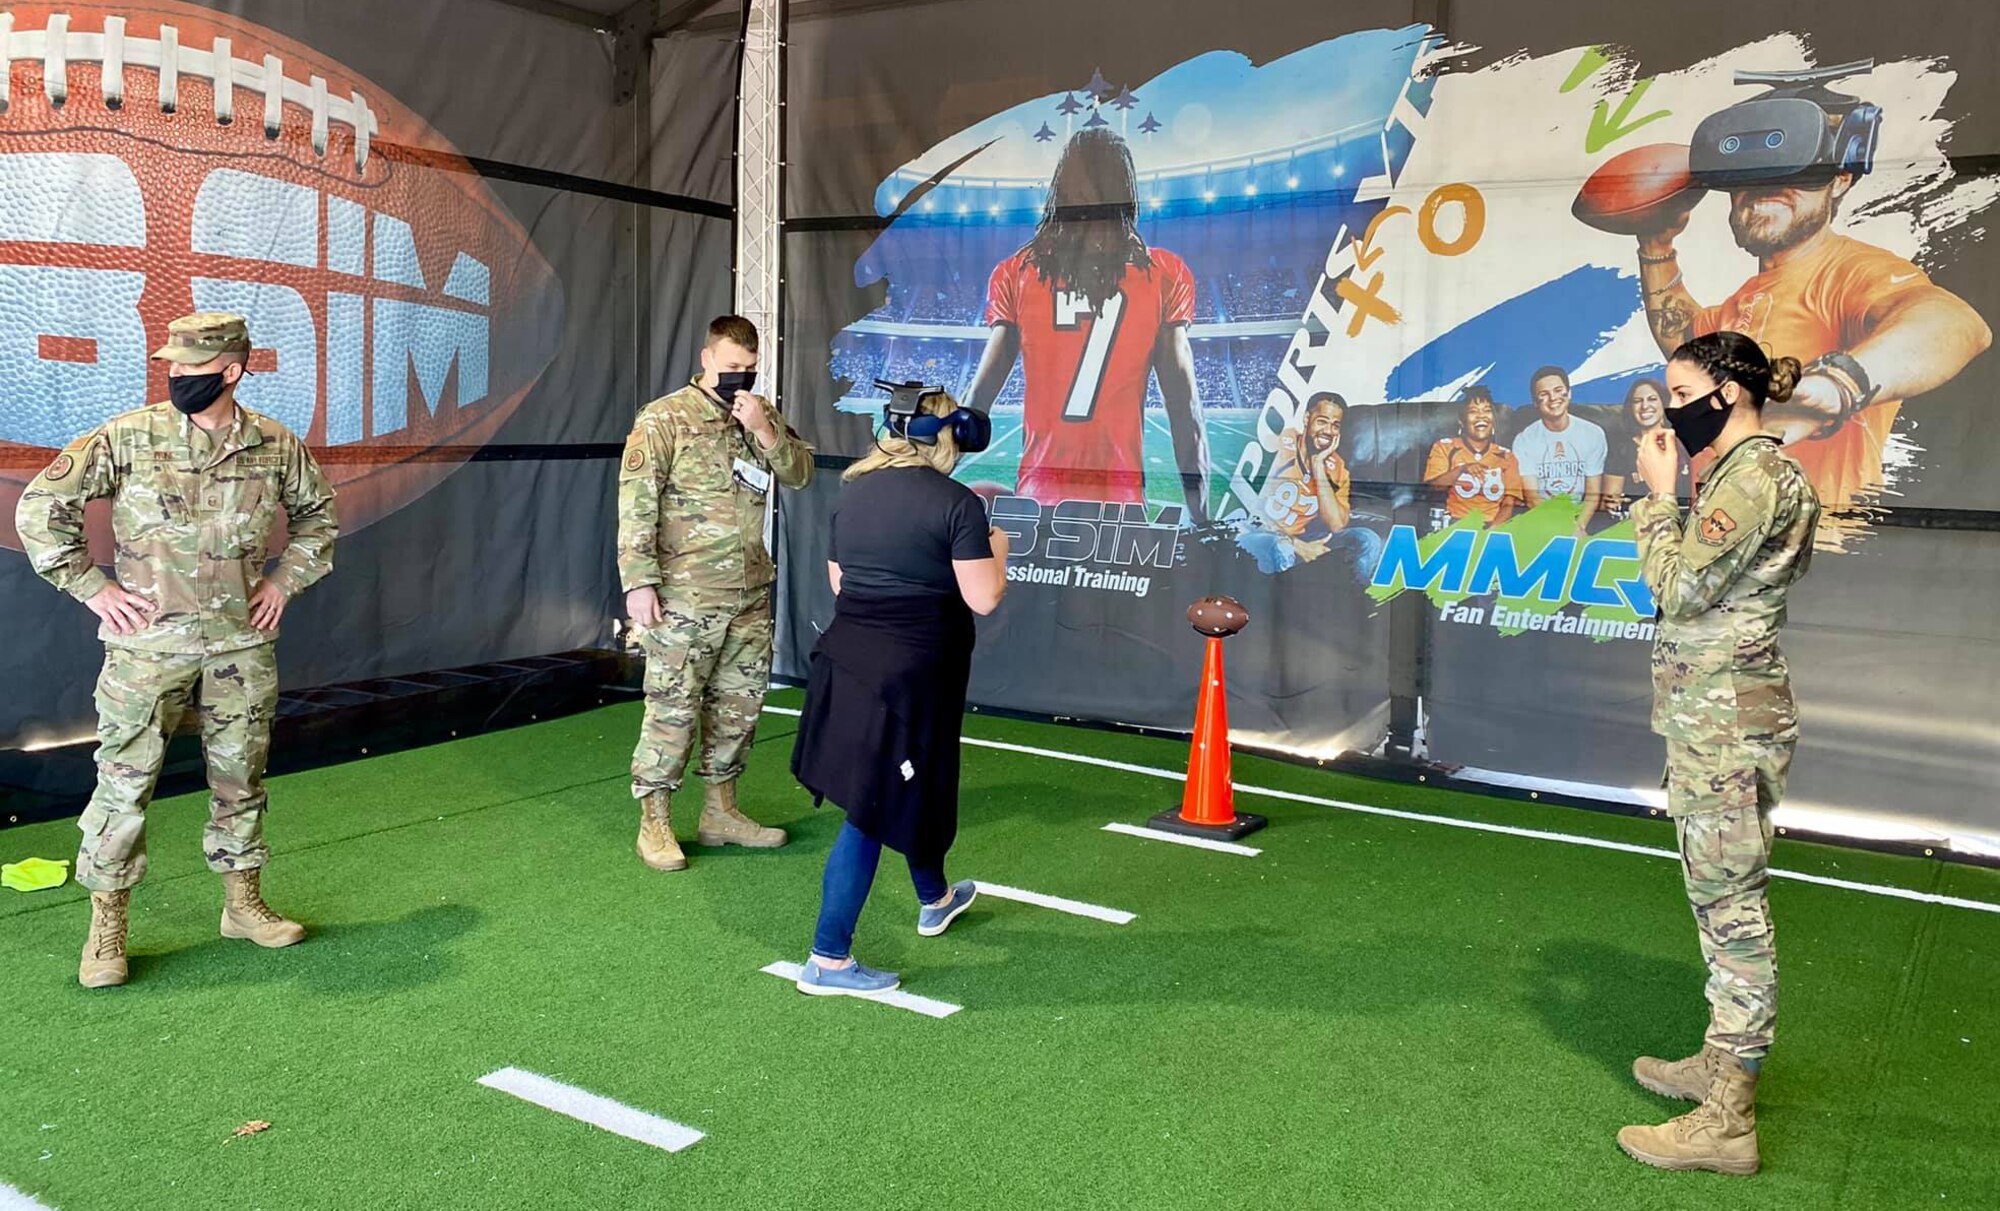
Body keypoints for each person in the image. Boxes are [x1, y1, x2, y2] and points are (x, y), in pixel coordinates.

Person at [14, 313, 338, 988]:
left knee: (240, 778)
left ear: (232, 371)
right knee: (124, 786)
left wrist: (285, 579)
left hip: (239, 647)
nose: (177, 377)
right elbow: (42, 506)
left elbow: (318, 518)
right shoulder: (130, 436)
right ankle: (106, 928)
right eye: (172, 367)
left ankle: (243, 905)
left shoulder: (276, 446)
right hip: (147, 651)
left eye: (191, 369)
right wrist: (91, 587)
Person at [1617, 331, 1820, 1176]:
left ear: (1729, 394)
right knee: (1719, 900)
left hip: (1727, 726)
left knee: (1732, 912)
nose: (1671, 407)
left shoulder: (1754, 479)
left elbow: (1680, 587)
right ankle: (1719, 1061)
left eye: (1682, 389)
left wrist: (1659, 497)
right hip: (1721, 718)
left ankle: (1727, 1119)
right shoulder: (1750, 474)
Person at [1634, 89, 1989, 520]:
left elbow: (1952, 322)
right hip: (1722, 551)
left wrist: (1836, 385)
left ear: (1841, 178)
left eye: (1798, 169)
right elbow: (1681, 339)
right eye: (1751, 174)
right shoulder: (1741, 301)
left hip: (1812, 559)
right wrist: (1656, 243)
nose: (1768, 187)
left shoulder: (1853, 273)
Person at [788, 389, 1008, 997]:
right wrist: (998, 550)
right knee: (871, 809)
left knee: (924, 782)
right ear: (950, 434)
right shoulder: (958, 504)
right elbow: (983, 597)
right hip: (907, 680)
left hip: (850, 664)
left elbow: (840, 583)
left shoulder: (855, 494)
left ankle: (934, 897)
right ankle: (827, 960)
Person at [617, 315, 813, 872]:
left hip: (749, 591)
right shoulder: (663, 419)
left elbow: (800, 474)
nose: (739, 379)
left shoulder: (757, 413)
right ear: (706, 359)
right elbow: (637, 504)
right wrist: (639, 583)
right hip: (685, 596)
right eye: (730, 369)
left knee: (738, 708)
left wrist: (765, 429)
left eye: (748, 370)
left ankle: (720, 812)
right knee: (673, 708)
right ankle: (654, 822)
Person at [965, 127, 1209, 520]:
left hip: (1036, 507)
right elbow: (1186, 412)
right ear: (1125, 197)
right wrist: (1201, 518)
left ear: (1059, 194)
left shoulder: (1017, 272)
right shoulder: (1164, 273)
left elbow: (976, 404)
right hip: (1120, 516)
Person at [1238, 392, 1382, 581]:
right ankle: (1283, 608)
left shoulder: (1337, 468)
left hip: (1304, 537)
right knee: (1282, 547)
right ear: (1307, 418)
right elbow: (1250, 512)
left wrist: (1318, 465)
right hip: (1259, 535)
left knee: (1368, 540)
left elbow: (1336, 525)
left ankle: (1355, 605)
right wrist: (1297, 545)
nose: (1328, 431)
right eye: (1322, 421)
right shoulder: (1280, 444)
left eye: (1335, 425)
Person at [1511, 366, 1606, 532]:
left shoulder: (1593, 433)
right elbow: (1532, 497)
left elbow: (1592, 494)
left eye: (1558, 390)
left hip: (1580, 517)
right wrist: (1556, 528)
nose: (1552, 398)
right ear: (1535, 402)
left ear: (1569, 394)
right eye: (1544, 394)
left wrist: (1579, 526)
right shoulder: (1524, 440)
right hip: (1541, 517)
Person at [1422, 387, 1526, 527]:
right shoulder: (1444, 447)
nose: (1481, 416)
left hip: (1492, 526)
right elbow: (1432, 489)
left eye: (1487, 411)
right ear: (1462, 420)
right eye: (1473, 411)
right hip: (1452, 524)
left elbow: (1508, 504)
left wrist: (1491, 533)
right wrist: (1461, 470)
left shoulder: (1507, 456)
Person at [1604, 378, 1685, 512]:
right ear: (1631, 408)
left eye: (1652, 399)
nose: (1645, 406)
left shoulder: (1683, 442)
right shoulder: (1621, 449)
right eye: (1637, 401)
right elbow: (1610, 505)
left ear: (1664, 403)